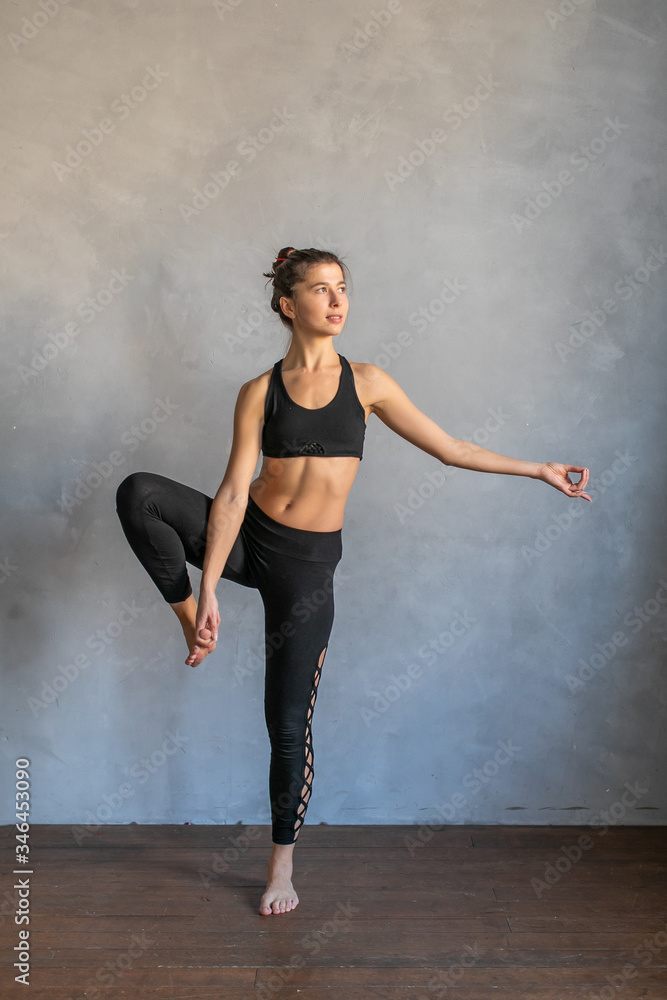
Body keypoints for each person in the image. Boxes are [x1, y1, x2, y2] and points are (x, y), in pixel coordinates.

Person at [115, 246, 591, 917]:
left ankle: (280, 867)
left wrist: (535, 468)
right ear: (288, 304)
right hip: (252, 538)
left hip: (306, 571)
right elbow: (227, 496)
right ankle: (187, 617)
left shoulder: (367, 383)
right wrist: (211, 593)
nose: (336, 301)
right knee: (139, 493)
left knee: (286, 724)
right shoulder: (261, 391)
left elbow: (451, 448)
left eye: (342, 288)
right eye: (319, 289)